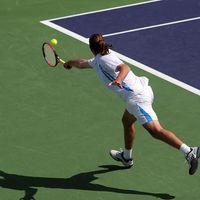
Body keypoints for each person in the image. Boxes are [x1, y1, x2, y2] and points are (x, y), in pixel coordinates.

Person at [63, 33, 200, 175]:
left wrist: (119, 80)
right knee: (127, 121)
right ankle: (127, 157)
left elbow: (124, 67)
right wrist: (70, 63)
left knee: (155, 130)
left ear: (91, 47)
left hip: (138, 98)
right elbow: (82, 63)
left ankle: (189, 152)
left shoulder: (106, 59)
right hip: (137, 95)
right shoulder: (98, 60)